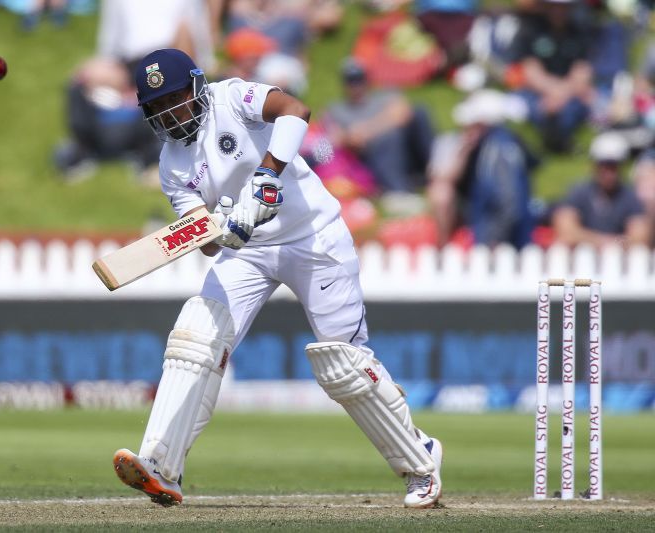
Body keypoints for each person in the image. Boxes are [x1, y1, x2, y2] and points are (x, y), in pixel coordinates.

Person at [110, 48, 444, 509]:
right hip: (249, 253)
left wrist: (267, 176)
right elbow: (203, 240)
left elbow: (295, 109)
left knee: (343, 362)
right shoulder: (173, 165)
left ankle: (420, 459)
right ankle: (161, 464)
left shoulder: (231, 98)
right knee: (195, 337)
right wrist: (220, 230)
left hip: (313, 236)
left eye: (175, 99)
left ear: (195, 87)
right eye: (158, 107)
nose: (170, 113)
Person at [426, 89, 536, 248]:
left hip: (502, 241)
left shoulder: (499, 148)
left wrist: (495, 238)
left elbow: (509, 200)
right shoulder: (494, 146)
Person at [323, 57, 434, 197]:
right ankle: (397, 191)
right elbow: (329, 141)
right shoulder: (337, 110)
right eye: (351, 80)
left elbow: (404, 113)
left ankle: (435, 172)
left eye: (359, 79)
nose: (356, 85)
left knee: (419, 112)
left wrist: (367, 130)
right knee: (389, 137)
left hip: (405, 149)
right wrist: (349, 138)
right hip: (369, 159)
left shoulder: (383, 97)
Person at [509, 0, 594, 153]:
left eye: (563, 7)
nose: (558, 11)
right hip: (538, 91)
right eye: (554, 6)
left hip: (569, 92)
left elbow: (582, 71)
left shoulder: (580, 30)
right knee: (529, 107)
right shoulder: (531, 28)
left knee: (580, 106)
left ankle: (559, 140)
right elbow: (530, 70)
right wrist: (553, 91)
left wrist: (561, 94)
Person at [551, 131, 651, 248]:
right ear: (594, 165)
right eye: (603, 165)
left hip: (618, 261)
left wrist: (608, 242)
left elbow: (639, 238)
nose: (608, 172)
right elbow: (566, 232)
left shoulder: (630, 198)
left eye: (613, 166)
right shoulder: (579, 193)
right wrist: (606, 241)